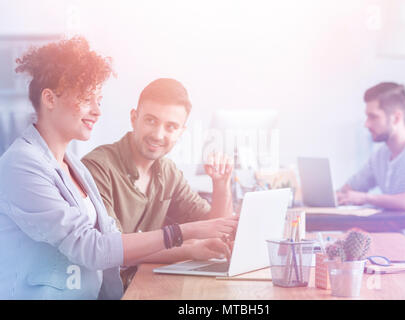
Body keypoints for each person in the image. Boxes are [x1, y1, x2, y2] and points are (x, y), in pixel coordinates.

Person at [0, 36, 238, 300]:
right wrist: (184, 234)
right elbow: (92, 248)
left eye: (98, 100)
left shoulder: (74, 167)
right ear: (49, 99)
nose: (97, 111)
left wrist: (192, 244)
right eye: (86, 98)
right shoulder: (21, 165)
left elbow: (113, 242)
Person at [81, 78, 235, 288]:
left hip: (147, 287)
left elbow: (216, 230)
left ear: (181, 132)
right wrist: (188, 249)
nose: (158, 134)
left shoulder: (168, 171)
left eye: (171, 126)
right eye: (151, 121)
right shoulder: (98, 167)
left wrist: (221, 184)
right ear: (134, 118)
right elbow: (113, 250)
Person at [337, 82, 405, 240]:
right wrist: (330, 196)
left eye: (373, 117)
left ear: (396, 118)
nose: (366, 124)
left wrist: (365, 198)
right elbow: (349, 190)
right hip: (399, 245)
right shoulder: (382, 154)